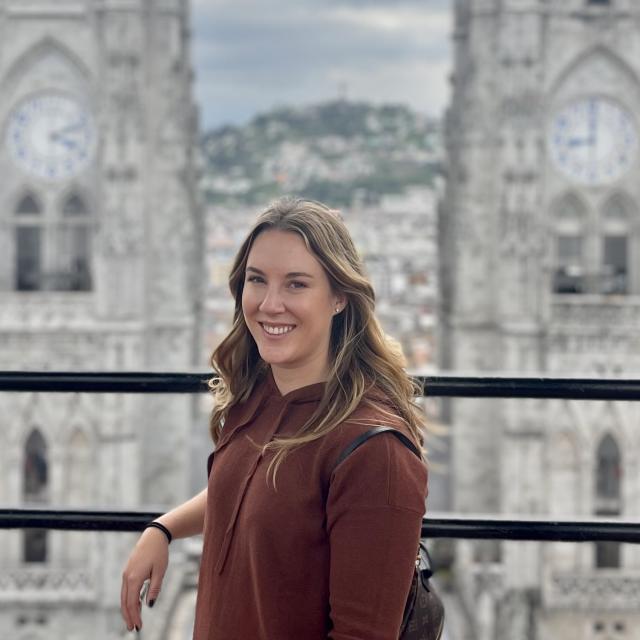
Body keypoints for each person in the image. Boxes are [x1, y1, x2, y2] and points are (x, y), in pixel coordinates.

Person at [120, 197, 429, 639]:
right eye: (257, 280)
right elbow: (253, 493)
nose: (269, 304)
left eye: (296, 285)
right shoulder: (256, 395)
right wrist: (165, 528)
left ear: (340, 296)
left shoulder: (374, 450)